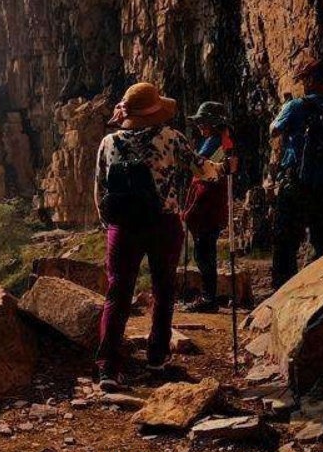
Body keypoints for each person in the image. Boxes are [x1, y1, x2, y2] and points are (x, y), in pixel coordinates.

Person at [93, 83, 220, 390]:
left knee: (118, 293)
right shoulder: (171, 138)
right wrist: (223, 167)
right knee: (163, 290)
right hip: (163, 223)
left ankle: (108, 367)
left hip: (122, 227)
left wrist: (109, 223)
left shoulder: (108, 142)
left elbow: (99, 189)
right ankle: (157, 357)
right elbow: (204, 171)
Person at [269, 60, 323, 288]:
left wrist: (285, 110)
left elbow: (273, 130)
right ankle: (321, 290)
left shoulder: (296, 106)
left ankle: (282, 292)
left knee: (285, 243)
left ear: (310, 80)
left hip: (297, 184)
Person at [181, 102, 238, 312]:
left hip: (207, 207)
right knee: (205, 251)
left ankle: (208, 297)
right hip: (210, 206)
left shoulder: (216, 143)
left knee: (204, 253)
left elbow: (202, 173)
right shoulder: (221, 141)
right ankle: (209, 295)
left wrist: (190, 210)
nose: (200, 126)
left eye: (203, 122)